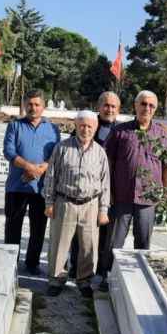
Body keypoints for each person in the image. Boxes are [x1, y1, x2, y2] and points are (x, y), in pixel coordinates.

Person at [101, 90, 167, 289]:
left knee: (143, 243)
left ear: (155, 109)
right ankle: (107, 277)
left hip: (148, 199)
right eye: (143, 104)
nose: (147, 108)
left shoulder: (162, 135)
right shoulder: (120, 132)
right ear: (135, 105)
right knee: (114, 242)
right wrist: (109, 192)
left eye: (151, 105)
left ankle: (141, 280)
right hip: (121, 196)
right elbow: (108, 162)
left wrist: (164, 191)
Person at [42, 110, 110, 297]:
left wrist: (103, 210)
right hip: (65, 202)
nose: (85, 129)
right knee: (59, 244)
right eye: (82, 125)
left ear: (95, 128)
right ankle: (56, 279)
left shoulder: (100, 153)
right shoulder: (62, 148)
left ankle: (84, 281)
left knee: (88, 246)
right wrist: (49, 202)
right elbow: (51, 176)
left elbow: (105, 184)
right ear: (76, 126)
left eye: (89, 126)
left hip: (90, 205)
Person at [2, 89, 61, 275]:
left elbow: (56, 154)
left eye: (37, 104)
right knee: (13, 226)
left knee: (38, 228)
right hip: (16, 186)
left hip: (42, 188)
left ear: (43, 107)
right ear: (24, 105)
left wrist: (40, 170)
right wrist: (29, 167)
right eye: (29, 104)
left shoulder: (53, 129)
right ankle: (10, 262)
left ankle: (32, 263)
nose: (32, 108)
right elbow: (9, 152)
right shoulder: (14, 126)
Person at [68, 91, 121, 279]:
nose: (109, 109)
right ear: (99, 107)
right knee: (79, 234)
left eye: (113, 106)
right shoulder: (86, 124)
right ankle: (75, 267)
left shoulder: (122, 130)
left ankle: (99, 270)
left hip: (109, 192)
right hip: (83, 191)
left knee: (105, 233)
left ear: (118, 109)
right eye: (106, 105)